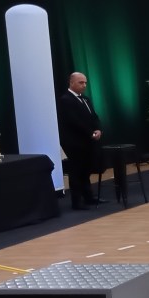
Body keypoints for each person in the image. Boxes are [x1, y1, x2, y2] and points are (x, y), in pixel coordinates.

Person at [58, 72, 103, 210]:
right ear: (71, 83)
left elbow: (93, 116)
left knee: (86, 169)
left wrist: (98, 129)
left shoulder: (86, 99)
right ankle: (76, 202)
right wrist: (90, 133)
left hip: (87, 140)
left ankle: (89, 197)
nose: (84, 85)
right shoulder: (66, 99)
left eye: (85, 83)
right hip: (74, 142)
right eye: (80, 82)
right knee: (76, 171)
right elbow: (74, 121)